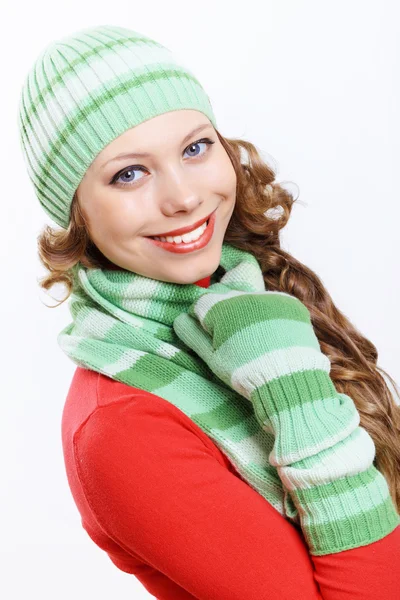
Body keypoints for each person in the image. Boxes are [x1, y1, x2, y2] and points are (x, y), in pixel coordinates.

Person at [18, 24, 400, 600]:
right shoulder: (120, 428)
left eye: (195, 148)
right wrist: (298, 398)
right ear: (78, 216)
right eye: (129, 173)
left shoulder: (249, 301)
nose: (184, 197)